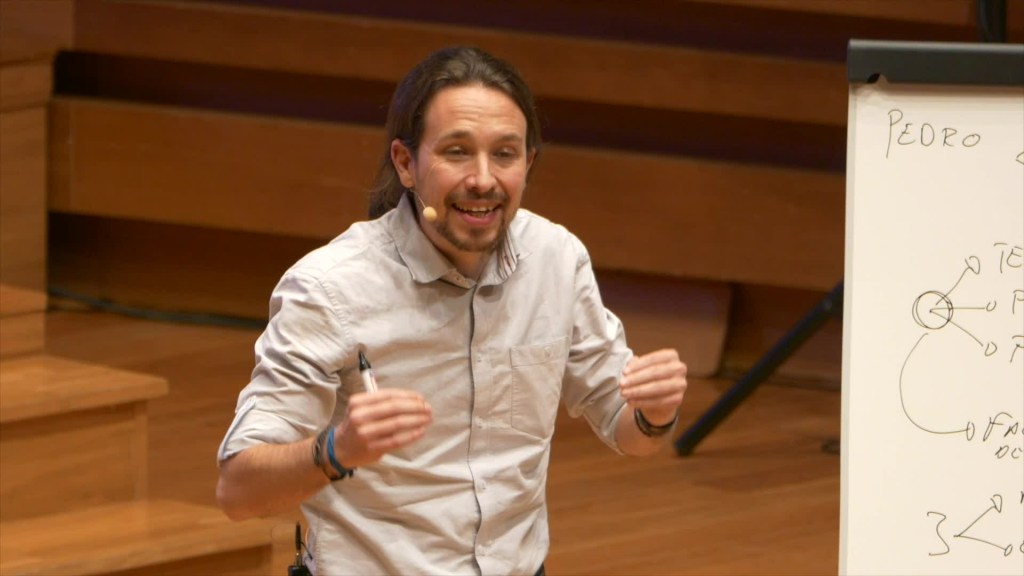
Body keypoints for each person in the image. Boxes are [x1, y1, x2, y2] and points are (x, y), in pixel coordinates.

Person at [216, 46, 688, 576]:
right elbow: (238, 492)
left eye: (504, 154)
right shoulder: (329, 288)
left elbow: (628, 430)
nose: (483, 179)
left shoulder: (556, 259)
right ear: (406, 164)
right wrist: (337, 449)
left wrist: (654, 413)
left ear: (528, 163)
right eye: (457, 152)